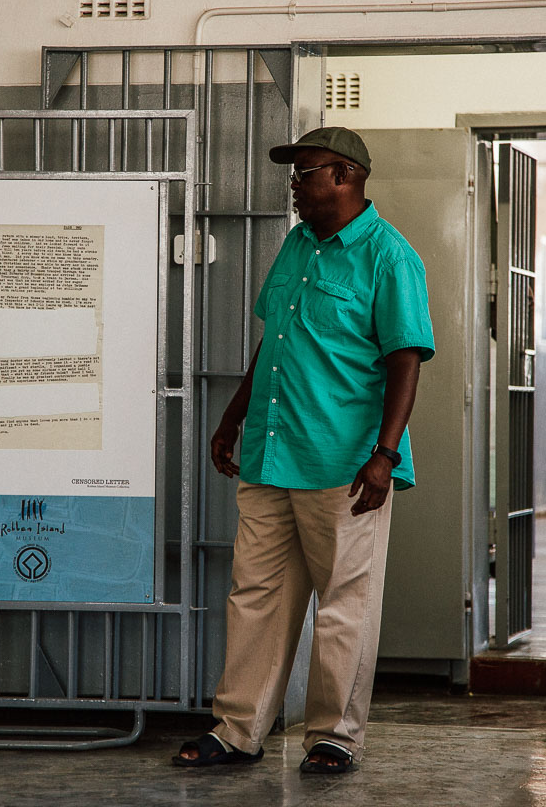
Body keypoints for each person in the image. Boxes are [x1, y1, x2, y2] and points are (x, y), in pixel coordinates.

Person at [172, 127, 434, 774]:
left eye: (306, 172)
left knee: (344, 602)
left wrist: (385, 454)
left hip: (343, 463)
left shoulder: (389, 257)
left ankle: (334, 737)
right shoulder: (295, 245)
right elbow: (275, 342)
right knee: (254, 592)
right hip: (271, 452)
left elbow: (406, 360)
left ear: (345, 176)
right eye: (295, 173)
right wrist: (233, 417)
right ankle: (238, 730)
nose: (295, 184)